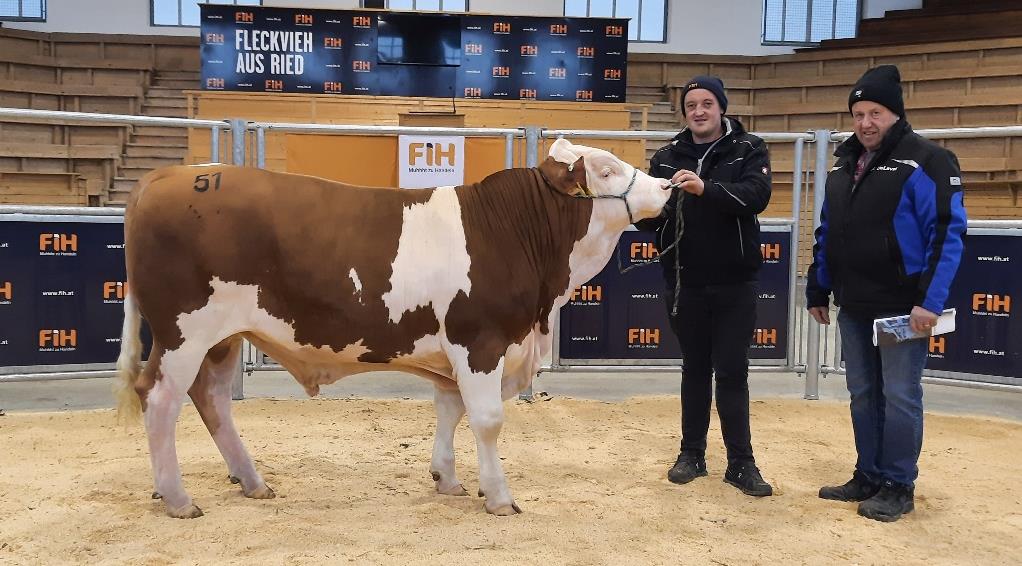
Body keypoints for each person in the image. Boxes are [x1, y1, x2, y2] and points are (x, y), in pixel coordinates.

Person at [806, 65, 968, 522]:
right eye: (858, 113)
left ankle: (899, 484)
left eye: (875, 112)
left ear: (895, 113)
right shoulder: (843, 166)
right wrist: (818, 286)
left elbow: (947, 235)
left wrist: (929, 301)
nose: (865, 122)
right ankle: (869, 473)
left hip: (903, 308)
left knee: (899, 393)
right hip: (854, 305)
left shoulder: (928, 160)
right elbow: (828, 231)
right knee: (862, 392)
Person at [636, 75, 773, 496]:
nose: (698, 110)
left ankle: (741, 463)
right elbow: (649, 216)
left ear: (721, 107)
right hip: (684, 281)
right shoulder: (664, 156)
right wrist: (643, 205)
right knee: (694, 368)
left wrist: (704, 189)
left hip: (735, 281)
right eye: (691, 104)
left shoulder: (750, 149)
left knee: (732, 370)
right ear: (684, 111)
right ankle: (691, 454)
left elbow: (756, 195)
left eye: (707, 103)